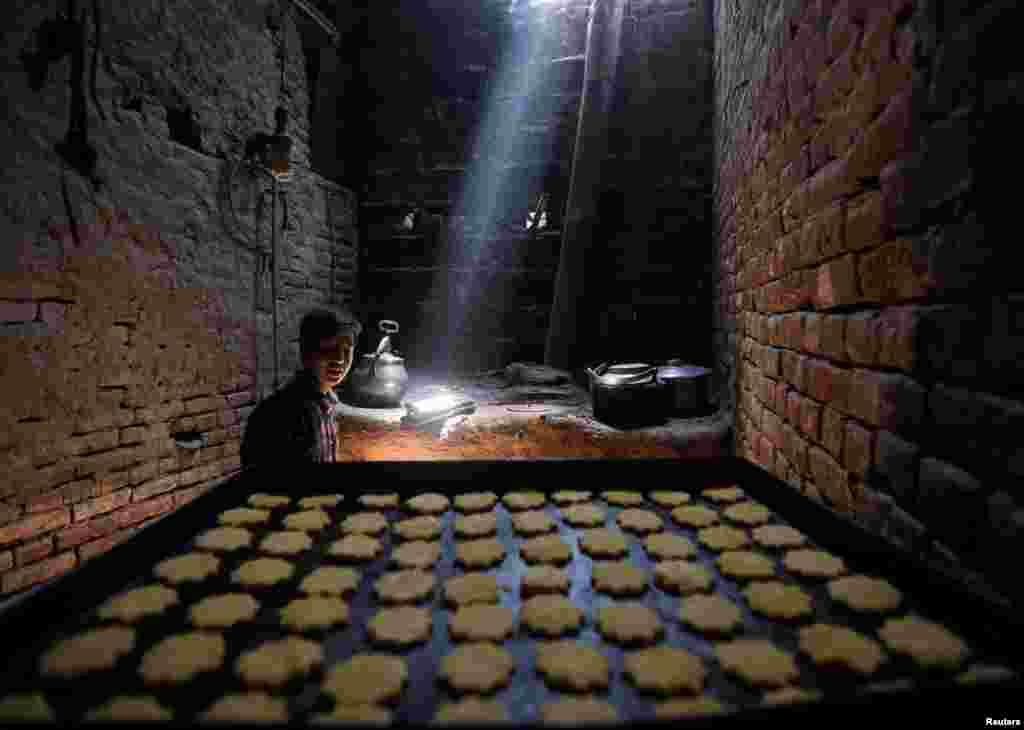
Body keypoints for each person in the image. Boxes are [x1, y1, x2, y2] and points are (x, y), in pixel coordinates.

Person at [241, 309, 357, 469]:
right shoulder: (279, 415)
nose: (339, 359)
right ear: (306, 352)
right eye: (329, 348)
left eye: (347, 350)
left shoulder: (327, 404)